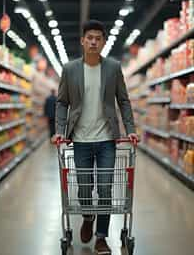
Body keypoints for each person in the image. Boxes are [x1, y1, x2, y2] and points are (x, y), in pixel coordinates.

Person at [52, 20, 139, 254]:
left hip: (107, 139)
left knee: (106, 188)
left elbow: (123, 100)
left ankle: (101, 237)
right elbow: (62, 102)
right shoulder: (70, 70)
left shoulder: (113, 67)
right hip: (79, 140)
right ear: (82, 41)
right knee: (83, 188)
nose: (93, 41)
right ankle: (88, 216)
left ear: (103, 42)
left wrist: (130, 127)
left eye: (98, 38)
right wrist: (60, 131)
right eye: (89, 37)